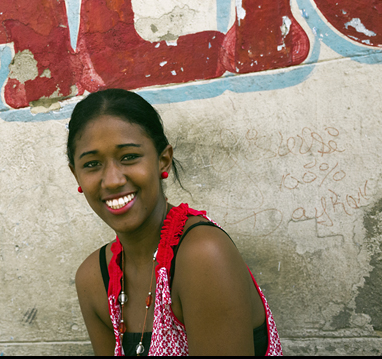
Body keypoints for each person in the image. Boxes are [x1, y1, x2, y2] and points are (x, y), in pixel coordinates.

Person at [68, 89, 282, 356]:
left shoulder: (202, 256)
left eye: (129, 157)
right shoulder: (94, 278)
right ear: (75, 174)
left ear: (163, 159)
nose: (112, 180)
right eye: (92, 164)